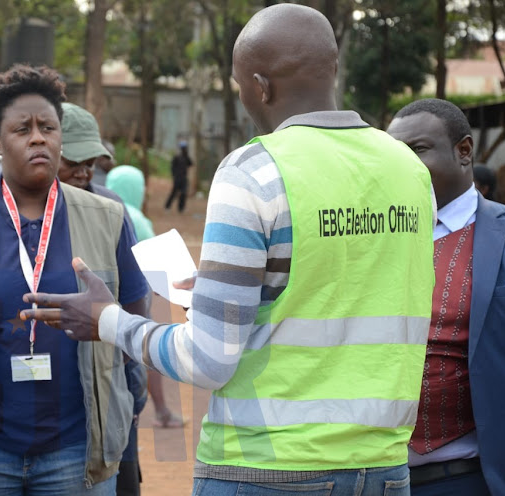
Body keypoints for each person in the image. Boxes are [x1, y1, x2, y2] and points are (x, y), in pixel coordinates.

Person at [23, 4, 436, 494]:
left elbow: (206, 361)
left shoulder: (254, 171)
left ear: (261, 86)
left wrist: (106, 320)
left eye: (241, 86)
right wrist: (241, 290)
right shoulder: (409, 171)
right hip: (385, 468)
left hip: (266, 465)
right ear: (333, 69)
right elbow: (346, 286)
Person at [0, 64, 150, 495]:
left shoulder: (108, 219)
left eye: (48, 127)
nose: (38, 137)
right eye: (23, 129)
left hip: (77, 450)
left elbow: (133, 321)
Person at [387, 98, 505, 496]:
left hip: (467, 477)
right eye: (394, 154)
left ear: (464, 152)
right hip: (371, 476)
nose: (403, 164)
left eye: (417, 150)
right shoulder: (370, 239)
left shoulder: (503, 238)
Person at [57, 102, 149, 496]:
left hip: (110, 383)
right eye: (73, 160)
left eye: (91, 161)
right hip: (43, 395)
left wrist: (128, 381)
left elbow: (135, 302)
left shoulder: (111, 209)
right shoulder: (12, 212)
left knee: (120, 479)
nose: (84, 170)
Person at [106, 164, 184, 429]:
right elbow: (158, 264)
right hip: (134, 298)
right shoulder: (136, 218)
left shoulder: (100, 208)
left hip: (104, 300)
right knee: (148, 352)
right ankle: (161, 410)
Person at [165, 141, 192, 212]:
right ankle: (167, 206)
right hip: (177, 178)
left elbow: (190, 164)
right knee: (174, 193)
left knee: (183, 193)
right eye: (183, 148)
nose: (184, 150)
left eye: (185, 148)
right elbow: (172, 168)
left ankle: (181, 208)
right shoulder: (176, 157)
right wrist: (174, 176)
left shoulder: (186, 157)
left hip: (184, 178)